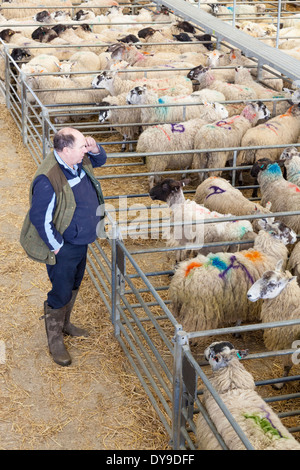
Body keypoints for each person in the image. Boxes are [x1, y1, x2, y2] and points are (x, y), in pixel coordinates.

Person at [20, 127, 107, 367]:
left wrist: (95, 147)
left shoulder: (76, 161)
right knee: (60, 291)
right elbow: (40, 217)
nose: (85, 151)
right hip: (65, 247)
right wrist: (57, 246)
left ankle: (66, 323)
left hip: (81, 241)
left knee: (75, 283)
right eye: (82, 147)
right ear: (66, 150)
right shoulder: (48, 179)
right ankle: (55, 338)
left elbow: (100, 160)